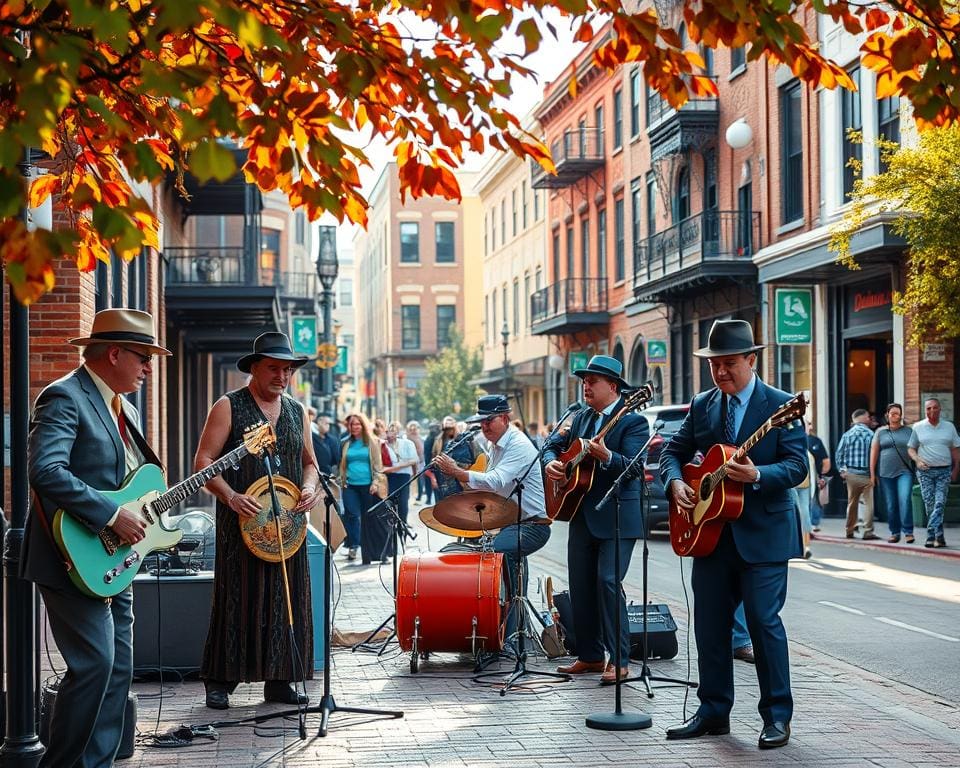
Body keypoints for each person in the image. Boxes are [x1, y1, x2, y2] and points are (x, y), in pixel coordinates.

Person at [24, 308, 170, 766]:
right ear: (114, 354)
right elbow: (45, 470)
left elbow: (126, 479)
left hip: (116, 559)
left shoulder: (123, 407)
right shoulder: (64, 397)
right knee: (94, 667)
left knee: (118, 670)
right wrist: (110, 515)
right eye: (144, 357)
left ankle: (98, 763)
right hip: (70, 555)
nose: (149, 368)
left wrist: (141, 512)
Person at [660, 319, 806, 750]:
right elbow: (673, 452)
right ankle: (713, 712)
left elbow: (797, 466)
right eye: (714, 365)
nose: (721, 372)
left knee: (763, 624)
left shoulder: (781, 406)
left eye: (729, 364)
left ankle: (777, 717)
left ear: (751, 360)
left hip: (762, 535)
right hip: (710, 534)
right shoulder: (703, 403)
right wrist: (674, 482)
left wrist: (758, 473)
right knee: (708, 627)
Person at [194, 331, 319, 710]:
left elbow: (310, 463)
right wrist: (231, 497)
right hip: (241, 521)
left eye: (288, 370)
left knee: (286, 598)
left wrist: (310, 489)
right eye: (274, 369)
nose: (282, 376)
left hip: (288, 526)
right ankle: (220, 681)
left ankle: (280, 679)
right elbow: (202, 463)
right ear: (254, 369)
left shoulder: (298, 411)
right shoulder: (228, 405)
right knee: (238, 598)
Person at [543, 355, 649, 684]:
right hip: (581, 512)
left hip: (618, 514)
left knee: (607, 582)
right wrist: (552, 463)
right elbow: (552, 444)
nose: (585, 386)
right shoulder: (581, 417)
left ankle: (620, 660)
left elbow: (634, 468)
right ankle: (589, 656)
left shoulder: (632, 422)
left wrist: (607, 456)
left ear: (613, 387)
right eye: (584, 381)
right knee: (581, 586)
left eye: (593, 381)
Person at [434, 395, 551, 652]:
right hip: (514, 523)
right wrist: (462, 483)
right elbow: (491, 487)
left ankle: (510, 630)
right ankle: (510, 630)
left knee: (497, 553)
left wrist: (458, 472)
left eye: (489, 421)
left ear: (505, 419)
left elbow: (496, 481)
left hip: (533, 525)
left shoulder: (517, 444)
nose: (485, 427)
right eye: (481, 422)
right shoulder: (495, 446)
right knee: (503, 560)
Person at [908, 397, 960, 548]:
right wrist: (917, 460)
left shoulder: (949, 427)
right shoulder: (918, 427)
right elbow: (911, 448)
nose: (931, 411)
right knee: (929, 505)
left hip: (944, 470)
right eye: (928, 408)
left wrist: (956, 468)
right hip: (925, 472)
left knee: (939, 502)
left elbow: (955, 449)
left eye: (934, 408)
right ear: (925, 410)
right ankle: (939, 536)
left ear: (939, 409)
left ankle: (931, 533)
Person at [339, 412, 390, 563]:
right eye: (352, 424)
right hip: (350, 486)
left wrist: (375, 482)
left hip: (369, 486)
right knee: (353, 515)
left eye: (357, 424)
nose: (354, 427)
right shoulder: (345, 442)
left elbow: (377, 465)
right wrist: (341, 480)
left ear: (363, 425)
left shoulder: (372, 442)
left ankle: (377, 554)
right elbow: (341, 464)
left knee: (370, 519)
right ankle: (354, 545)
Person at [870, 403, 916, 544]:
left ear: (901, 415)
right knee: (891, 504)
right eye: (892, 413)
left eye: (898, 413)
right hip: (885, 473)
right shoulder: (880, 432)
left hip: (904, 472)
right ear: (887, 415)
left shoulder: (909, 431)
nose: (895, 416)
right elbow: (874, 452)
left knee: (905, 500)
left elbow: (916, 449)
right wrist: (872, 474)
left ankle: (908, 531)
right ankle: (894, 532)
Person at [836, 409, 878, 540]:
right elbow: (876, 455)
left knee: (852, 503)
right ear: (863, 418)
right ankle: (867, 531)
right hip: (866, 473)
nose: (869, 419)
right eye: (868, 417)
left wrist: (842, 470)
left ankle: (849, 530)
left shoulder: (847, 434)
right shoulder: (871, 434)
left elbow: (839, 454)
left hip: (851, 474)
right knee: (868, 503)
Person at [383, 420, 419, 528]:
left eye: (394, 430)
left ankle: (403, 522)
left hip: (403, 475)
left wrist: (413, 473)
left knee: (403, 501)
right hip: (389, 476)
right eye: (389, 430)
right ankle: (390, 522)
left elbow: (414, 460)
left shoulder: (407, 443)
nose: (391, 433)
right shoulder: (383, 445)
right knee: (389, 499)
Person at [806, 420, 831, 531]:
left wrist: (821, 475)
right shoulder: (794, 440)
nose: (810, 425)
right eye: (808, 423)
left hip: (814, 475)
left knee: (815, 499)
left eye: (810, 423)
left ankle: (813, 523)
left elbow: (826, 461)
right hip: (801, 476)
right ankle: (808, 524)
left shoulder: (815, 441)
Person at [406, 420, 426, 504]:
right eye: (411, 429)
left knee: (419, 481)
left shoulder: (421, 439)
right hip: (409, 464)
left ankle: (418, 496)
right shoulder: (406, 439)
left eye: (415, 429)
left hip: (420, 463)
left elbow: (422, 451)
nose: (413, 431)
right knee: (410, 481)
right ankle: (412, 497)